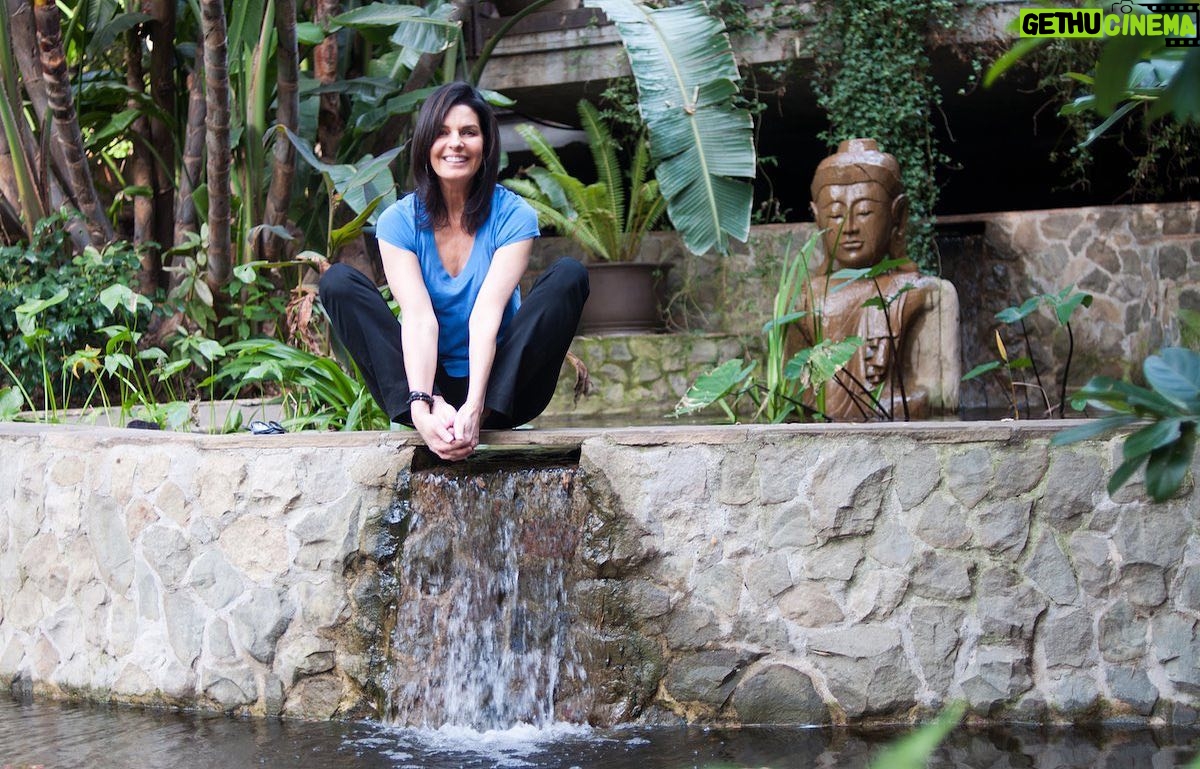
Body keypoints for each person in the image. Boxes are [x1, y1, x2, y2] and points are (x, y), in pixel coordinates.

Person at [319, 82, 589, 459]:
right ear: (425, 144)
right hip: (427, 385)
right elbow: (418, 318)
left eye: (468, 132)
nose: (455, 143)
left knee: (569, 275)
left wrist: (476, 407)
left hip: (504, 388)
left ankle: (478, 414)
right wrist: (423, 404)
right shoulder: (398, 221)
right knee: (337, 282)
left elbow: (486, 315)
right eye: (442, 132)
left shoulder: (514, 216)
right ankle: (434, 415)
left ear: (486, 144)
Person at [800, 138, 959, 420]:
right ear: (817, 218)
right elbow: (791, 392)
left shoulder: (928, 294)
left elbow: (943, 397)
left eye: (864, 212)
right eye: (835, 214)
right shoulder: (803, 298)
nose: (849, 227)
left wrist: (873, 409)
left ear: (898, 214)